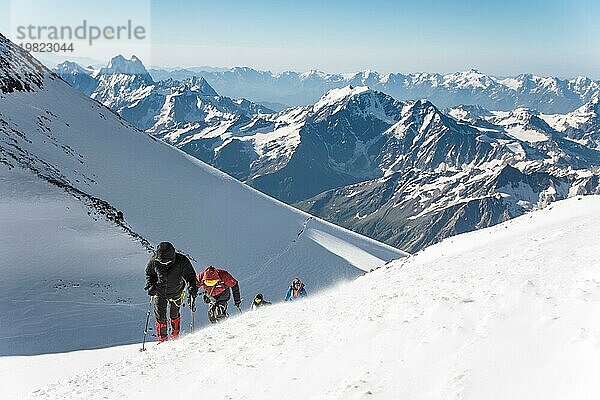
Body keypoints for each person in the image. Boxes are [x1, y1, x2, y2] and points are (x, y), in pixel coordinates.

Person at [145, 242, 198, 343]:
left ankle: (175, 337)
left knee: (174, 315)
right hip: (159, 292)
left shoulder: (182, 261)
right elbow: (149, 274)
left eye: (167, 262)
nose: (165, 264)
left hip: (176, 292)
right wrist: (150, 285)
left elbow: (190, 275)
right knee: (160, 317)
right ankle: (162, 340)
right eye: (162, 262)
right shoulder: (154, 261)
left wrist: (192, 286)